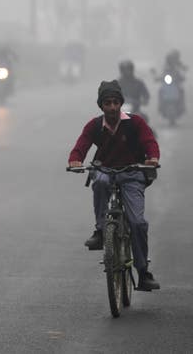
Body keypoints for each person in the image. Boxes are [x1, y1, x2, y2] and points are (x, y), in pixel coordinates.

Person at [68, 80, 161, 291]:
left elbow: (150, 142)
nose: (112, 107)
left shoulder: (135, 122)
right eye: (107, 103)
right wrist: (75, 160)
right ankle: (101, 231)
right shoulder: (94, 125)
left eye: (115, 102)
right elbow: (80, 146)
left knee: (137, 223)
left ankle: (143, 272)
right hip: (106, 171)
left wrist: (153, 157)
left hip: (132, 173)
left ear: (121, 103)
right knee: (98, 181)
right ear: (101, 105)